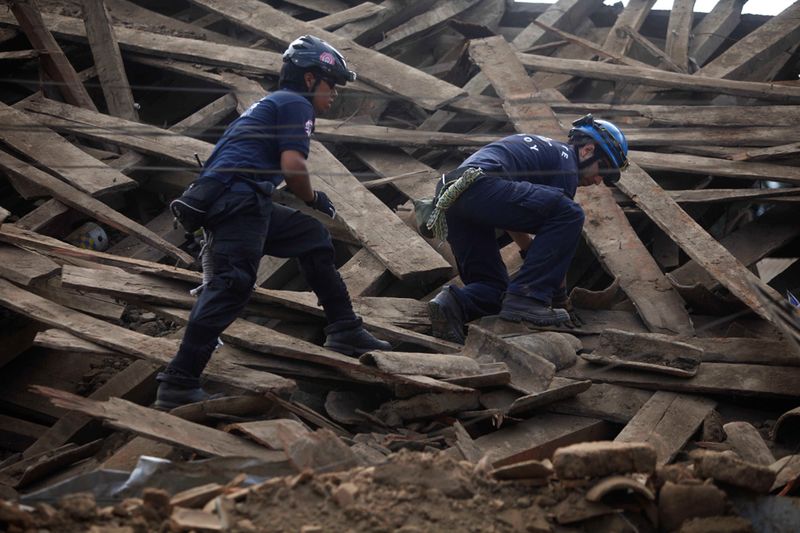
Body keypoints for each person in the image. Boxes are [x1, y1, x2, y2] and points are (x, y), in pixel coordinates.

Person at [157, 35, 391, 409]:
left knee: (312, 236)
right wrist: (314, 198)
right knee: (232, 285)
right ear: (311, 79)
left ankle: (345, 329)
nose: (334, 95)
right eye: (332, 85)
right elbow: (293, 167)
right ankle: (179, 382)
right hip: (237, 200)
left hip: (242, 199)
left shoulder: (273, 104)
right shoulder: (296, 104)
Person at [426, 115, 629, 343]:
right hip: (479, 186)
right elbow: (558, 231)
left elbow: (511, 212)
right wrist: (560, 299)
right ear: (587, 150)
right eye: (604, 170)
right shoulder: (565, 165)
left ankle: (451, 303)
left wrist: (529, 251)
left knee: (494, 291)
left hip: (455, 196)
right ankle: (527, 301)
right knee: (570, 214)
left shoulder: (548, 155)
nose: (599, 180)